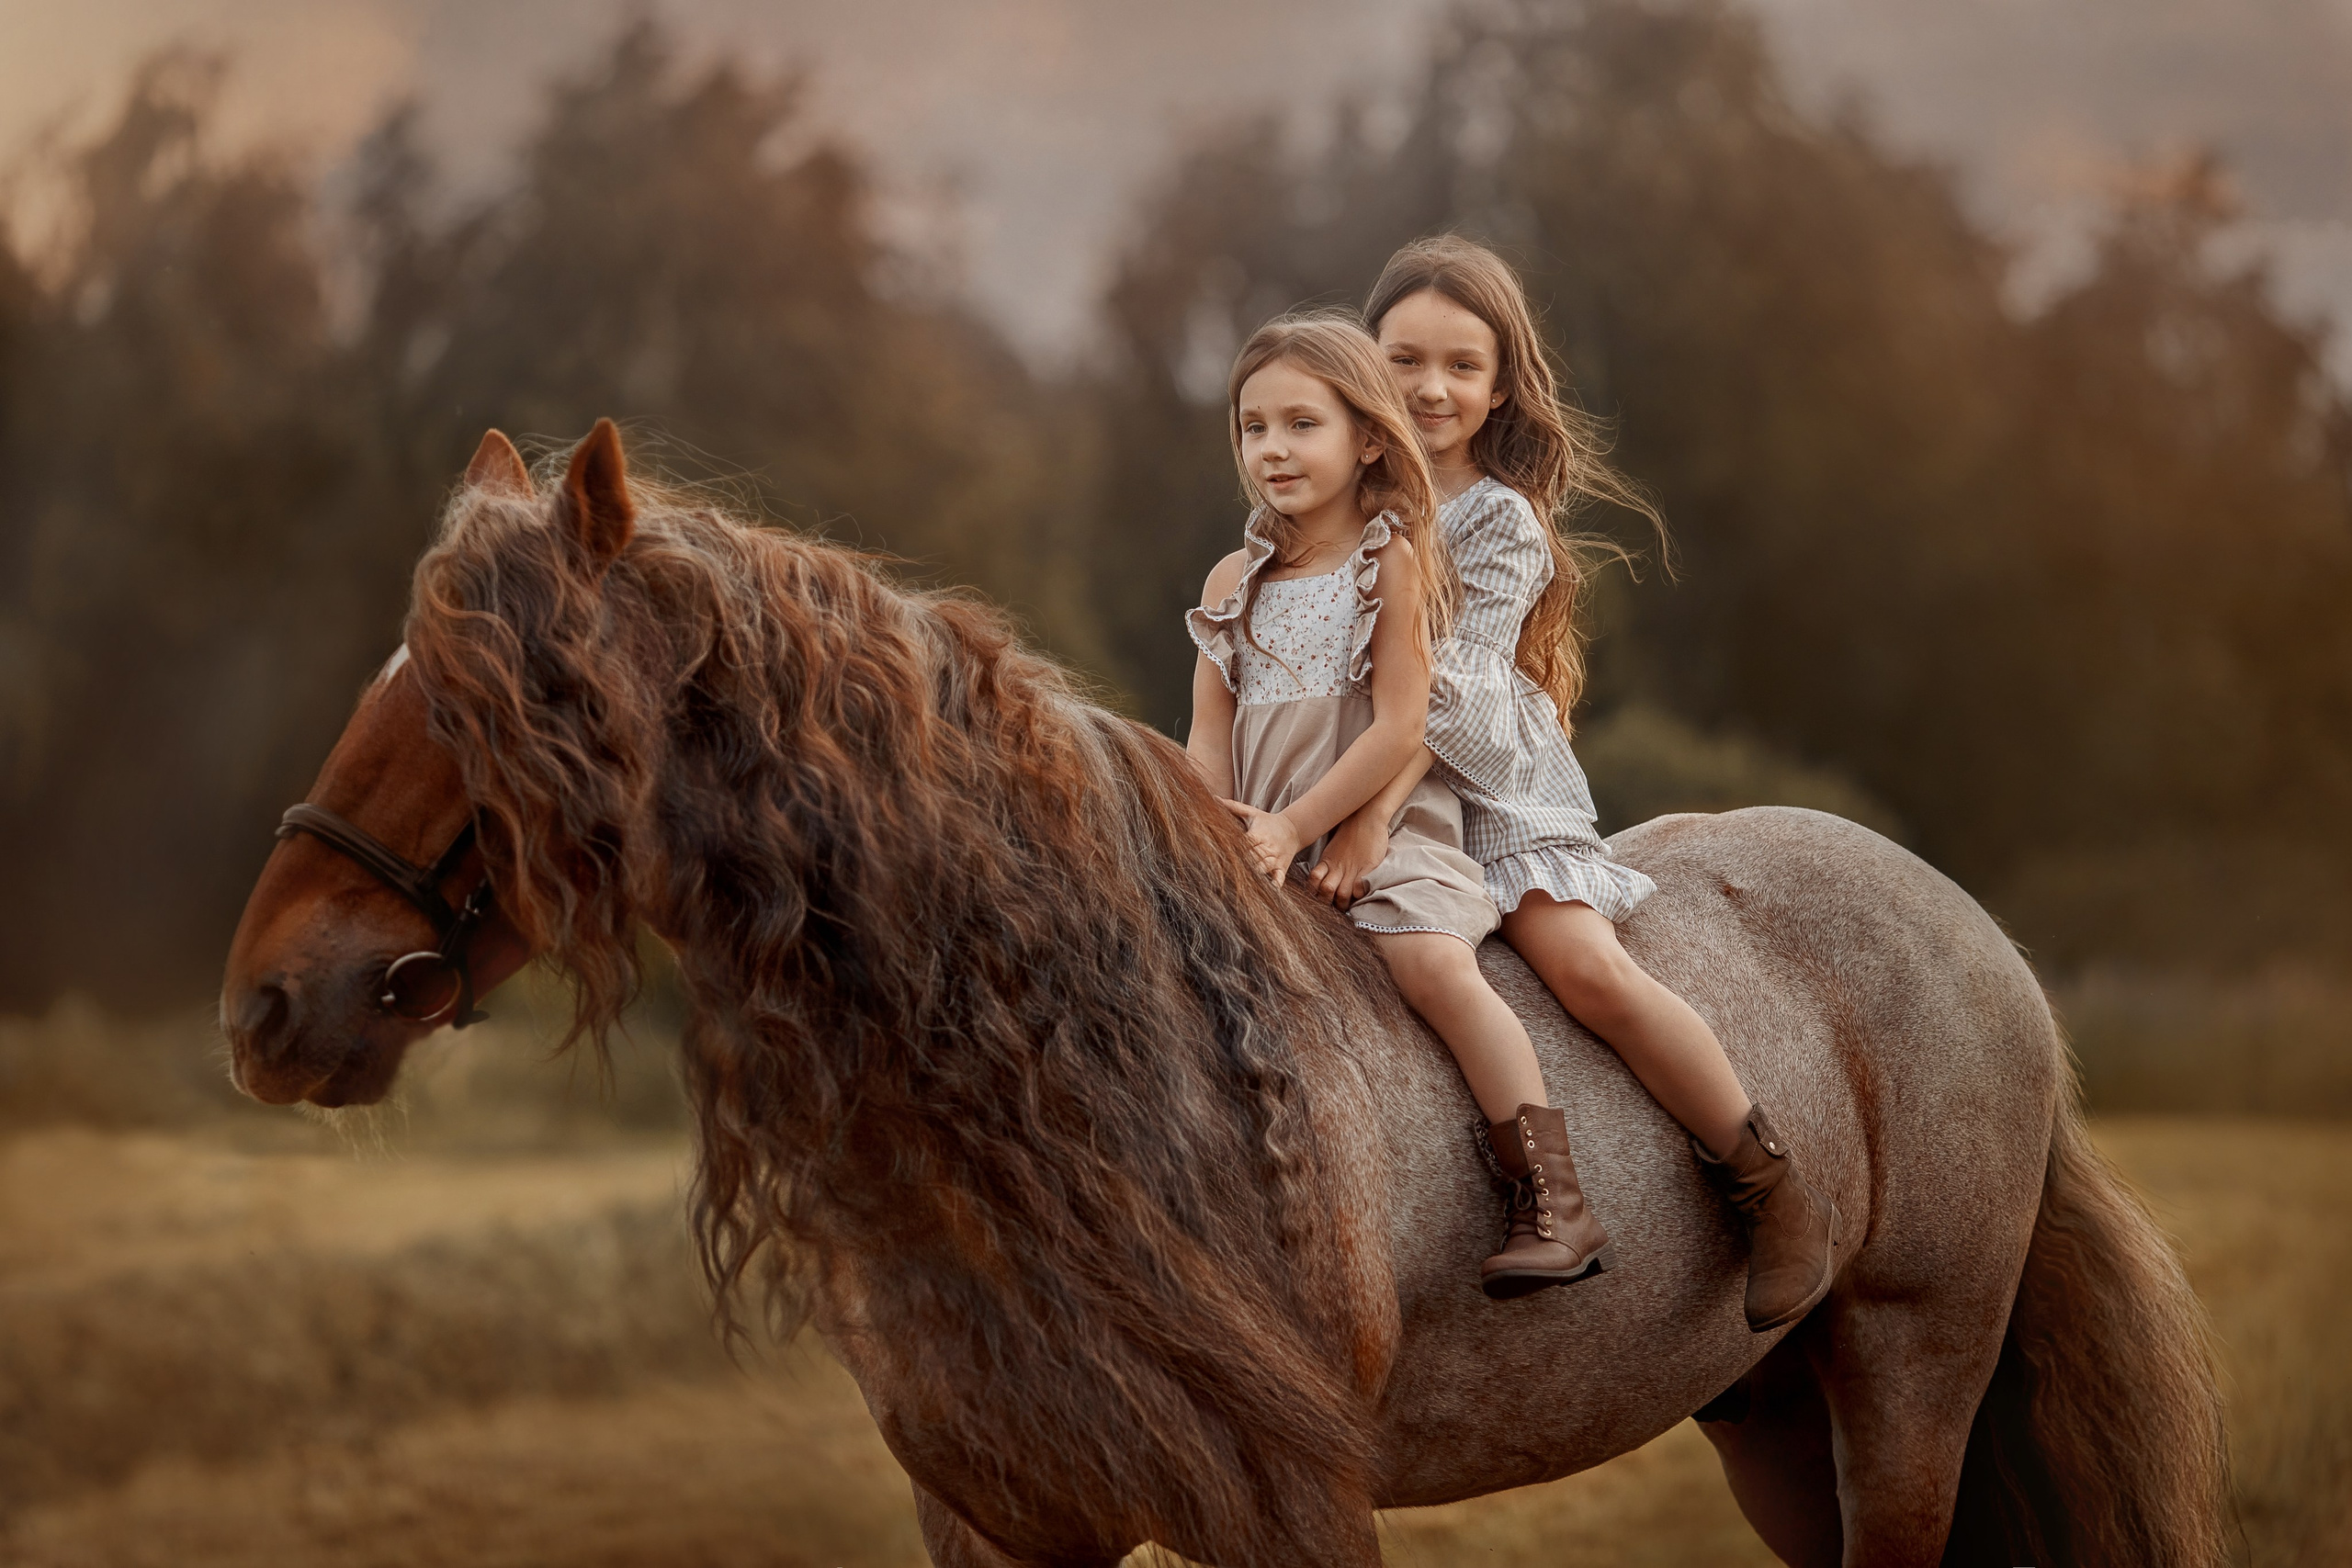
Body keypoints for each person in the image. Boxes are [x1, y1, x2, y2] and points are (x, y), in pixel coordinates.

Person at [1318, 236, 1836, 1330]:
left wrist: (1363, 826)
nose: (1430, 387)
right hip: (1360, 779)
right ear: (1362, 360)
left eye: (1461, 365)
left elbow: (1443, 694)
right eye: (1404, 358)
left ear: (1500, 385)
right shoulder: (1327, 493)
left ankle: (1767, 1184)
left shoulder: (1495, 518)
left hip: (1477, 781)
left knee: (1586, 969)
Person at [1187, 312, 1611, 1298]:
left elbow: (1399, 723)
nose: (1272, 450)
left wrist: (1306, 825)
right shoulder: (1230, 580)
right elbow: (1209, 734)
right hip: (1259, 839)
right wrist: (1213, 824)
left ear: (1367, 440)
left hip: (1384, 834)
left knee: (1430, 963)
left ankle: (1552, 1194)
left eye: (1301, 425)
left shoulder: (1393, 562)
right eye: (1254, 428)